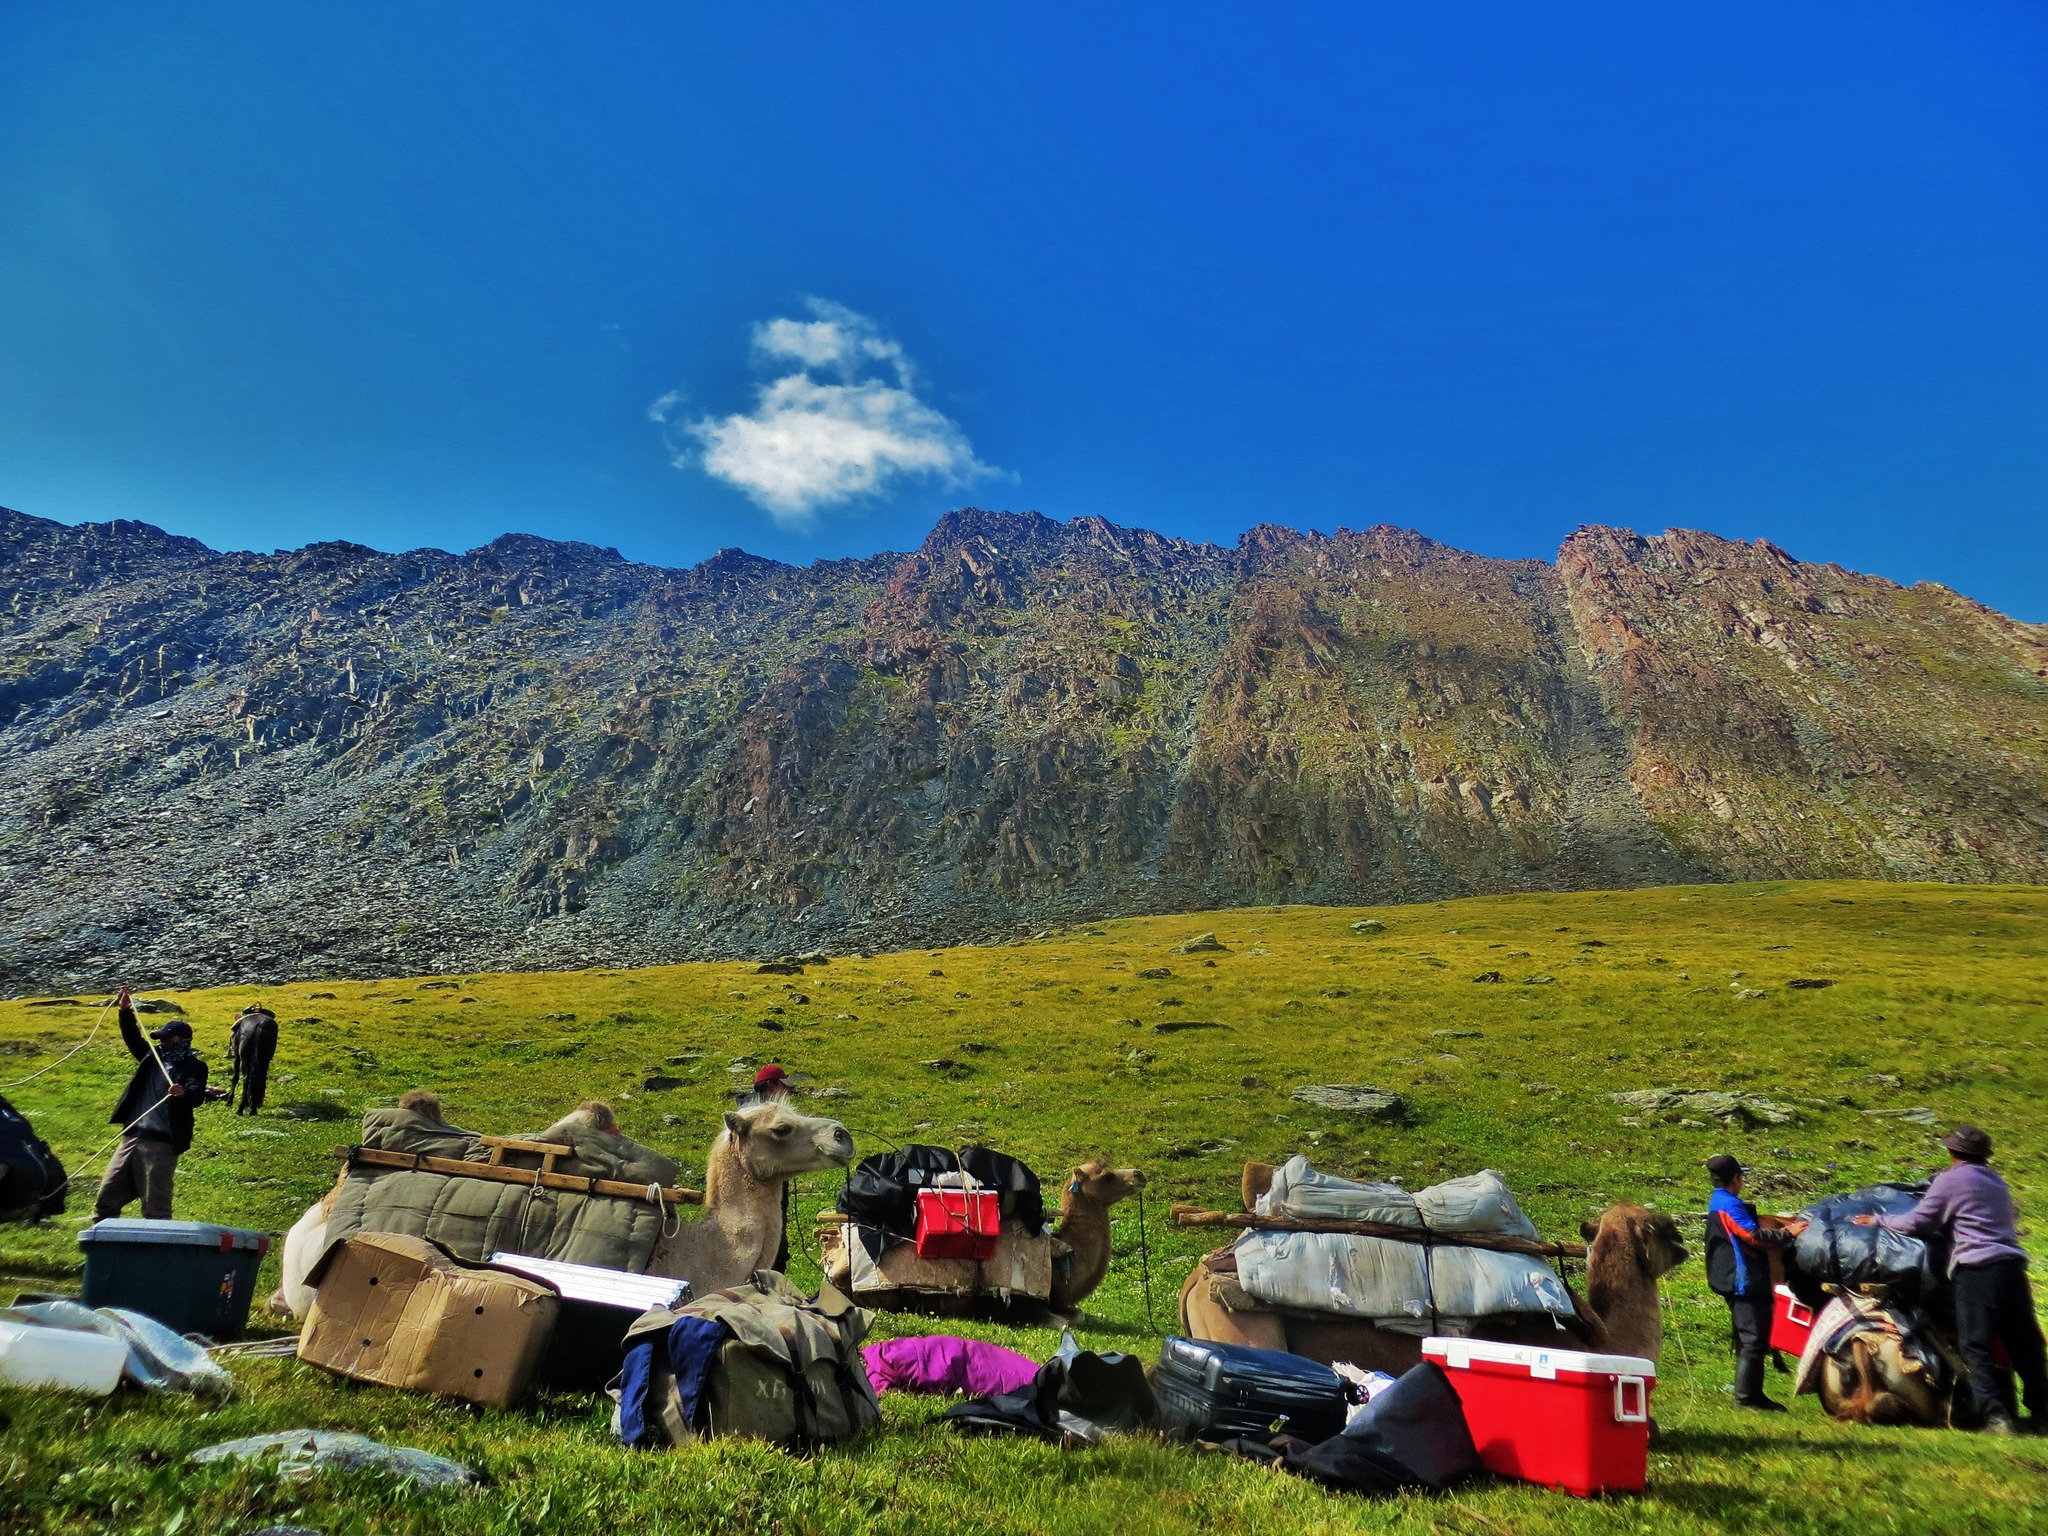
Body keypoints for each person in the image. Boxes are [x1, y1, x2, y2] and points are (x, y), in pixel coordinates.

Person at [1854, 1125, 2048, 1436]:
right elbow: (2010, 1215)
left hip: (1977, 1270)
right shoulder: (1996, 1181)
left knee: (1975, 1344)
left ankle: (1996, 1417)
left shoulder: (1950, 1179)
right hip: (2012, 1267)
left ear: (1953, 1152)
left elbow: (1919, 1221)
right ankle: (2042, 1413)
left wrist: (1879, 1220)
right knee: (2023, 1342)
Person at [93, 987, 225, 1221]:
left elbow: (195, 1094)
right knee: (106, 1198)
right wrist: (125, 1011)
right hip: (132, 1136)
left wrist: (182, 1092)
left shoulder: (195, 1066)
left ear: (182, 1040)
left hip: (162, 1142)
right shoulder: (152, 1057)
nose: (162, 1042)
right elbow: (133, 1038)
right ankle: (101, 1244)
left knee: (156, 1207)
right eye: (161, 1038)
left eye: (167, 1038)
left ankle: (156, 1251)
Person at [1704, 1153, 1795, 1412]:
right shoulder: (1728, 1204)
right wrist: (1787, 1232)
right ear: (1735, 1178)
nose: (1742, 1182)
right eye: (1741, 1177)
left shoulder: (1720, 1201)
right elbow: (1751, 1236)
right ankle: (1746, 1399)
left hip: (1737, 1277)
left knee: (1755, 1336)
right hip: (1740, 1279)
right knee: (1753, 1338)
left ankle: (1755, 1395)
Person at [739, 1064, 792, 1269]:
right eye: (783, 1086)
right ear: (770, 1086)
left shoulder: (749, 1114)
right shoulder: (759, 1120)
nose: (787, 1092)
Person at [226, 1004, 279, 1115]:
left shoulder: (243, 1021)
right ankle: (254, 1104)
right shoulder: (270, 1023)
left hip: (244, 1037)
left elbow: (237, 1063)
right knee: (261, 1070)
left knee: (245, 1072)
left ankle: (239, 1101)